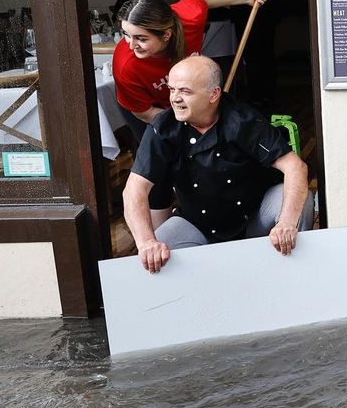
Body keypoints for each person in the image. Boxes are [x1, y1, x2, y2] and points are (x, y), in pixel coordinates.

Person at [123, 56, 313, 273]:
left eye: (184, 91)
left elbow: (296, 167)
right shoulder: (163, 128)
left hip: (255, 216)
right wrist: (146, 242)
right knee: (156, 254)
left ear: (214, 94)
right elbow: (134, 189)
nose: (174, 98)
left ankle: (295, 276)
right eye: (171, 89)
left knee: (301, 200)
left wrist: (286, 223)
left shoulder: (242, 119)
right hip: (197, 223)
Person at [112, 0, 269, 140]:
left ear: (166, 35)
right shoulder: (126, 65)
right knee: (162, 155)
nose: (131, 45)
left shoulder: (188, 18)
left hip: (189, 100)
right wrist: (192, 122)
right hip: (149, 110)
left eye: (141, 38)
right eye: (126, 34)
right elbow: (144, 113)